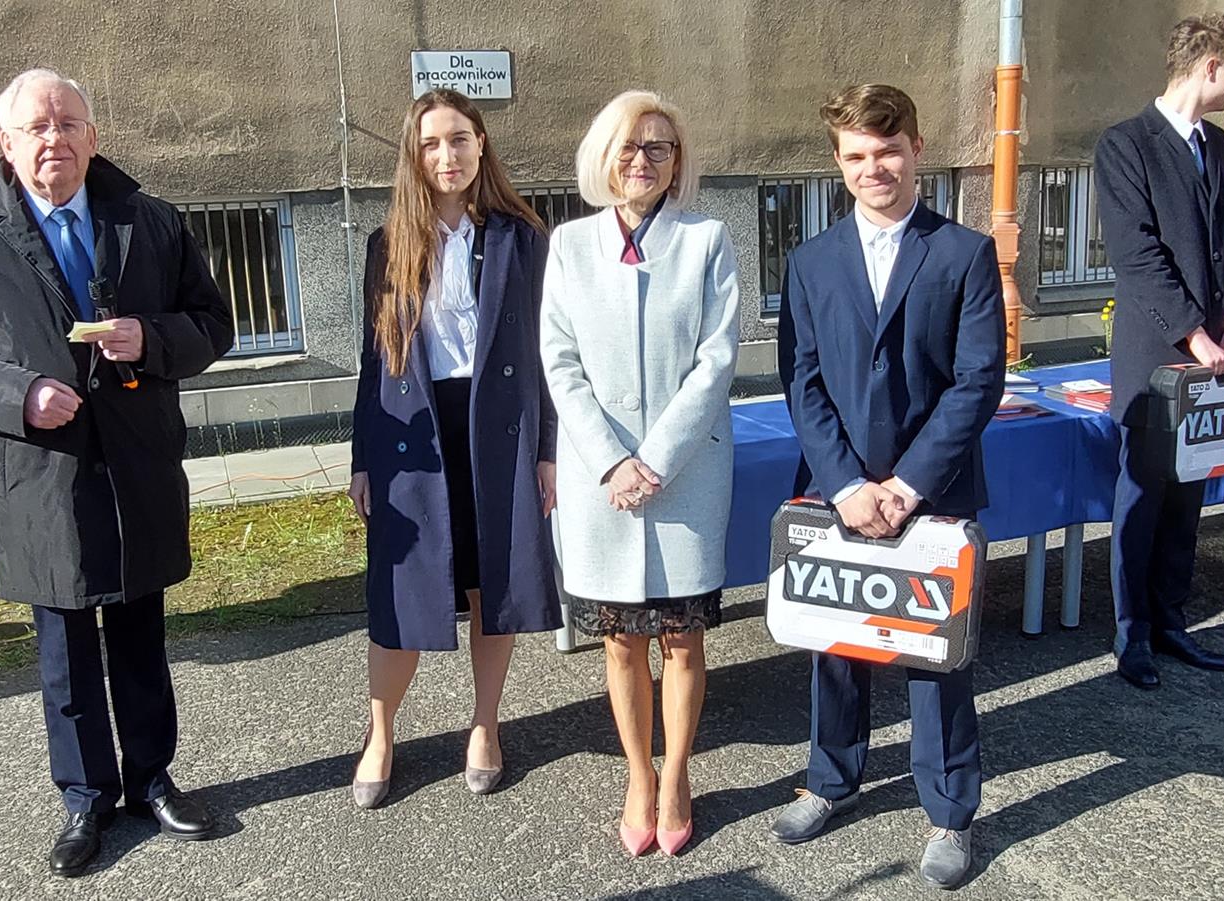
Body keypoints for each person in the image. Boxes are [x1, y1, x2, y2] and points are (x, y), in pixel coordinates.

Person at [0, 69, 234, 877]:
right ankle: (85, 798)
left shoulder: (149, 220)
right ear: (6, 144)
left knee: (141, 635)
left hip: (137, 464)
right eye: (37, 127)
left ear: (93, 135)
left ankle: (151, 778)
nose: (55, 138)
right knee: (67, 652)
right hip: (42, 476)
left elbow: (213, 323)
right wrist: (18, 395)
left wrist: (151, 339)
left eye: (69, 123)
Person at [773, 84, 1004, 889]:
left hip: (932, 491)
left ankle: (950, 810)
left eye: (889, 150)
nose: (875, 167)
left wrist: (907, 483)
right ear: (839, 163)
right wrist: (845, 484)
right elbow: (802, 382)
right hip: (837, 491)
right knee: (837, 647)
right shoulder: (809, 262)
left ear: (916, 150)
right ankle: (831, 778)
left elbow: (978, 380)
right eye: (858, 155)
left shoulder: (964, 253)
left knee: (937, 661)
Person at [347, 89, 561, 808]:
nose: (448, 155)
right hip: (413, 437)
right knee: (402, 594)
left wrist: (548, 451)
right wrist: (362, 458)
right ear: (414, 155)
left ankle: (484, 725)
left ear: (481, 144)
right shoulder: (387, 245)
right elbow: (373, 360)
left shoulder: (521, 238)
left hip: (498, 430)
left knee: (490, 587)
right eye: (432, 143)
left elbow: (548, 355)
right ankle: (380, 733)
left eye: (460, 139)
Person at [540, 90, 739, 858]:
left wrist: (652, 459)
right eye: (628, 145)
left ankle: (677, 772)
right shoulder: (569, 245)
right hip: (603, 481)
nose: (642, 160)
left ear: (677, 160)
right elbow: (560, 362)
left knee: (683, 639)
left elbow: (717, 360)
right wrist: (612, 461)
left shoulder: (707, 240)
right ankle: (637, 772)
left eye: (659, 146)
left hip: (684, 473)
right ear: (603, 155)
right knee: (621, 641)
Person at [1094, 13, 1224, 691]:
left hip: (1214, 357)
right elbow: (1137, 256)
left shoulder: (1215, 144)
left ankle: (1171, 621)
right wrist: (1195, 334)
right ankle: (1132, 635)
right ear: (1210, 65)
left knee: (1189, 494)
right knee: (1143, 497)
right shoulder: (1125, 144)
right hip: (1156, 358)